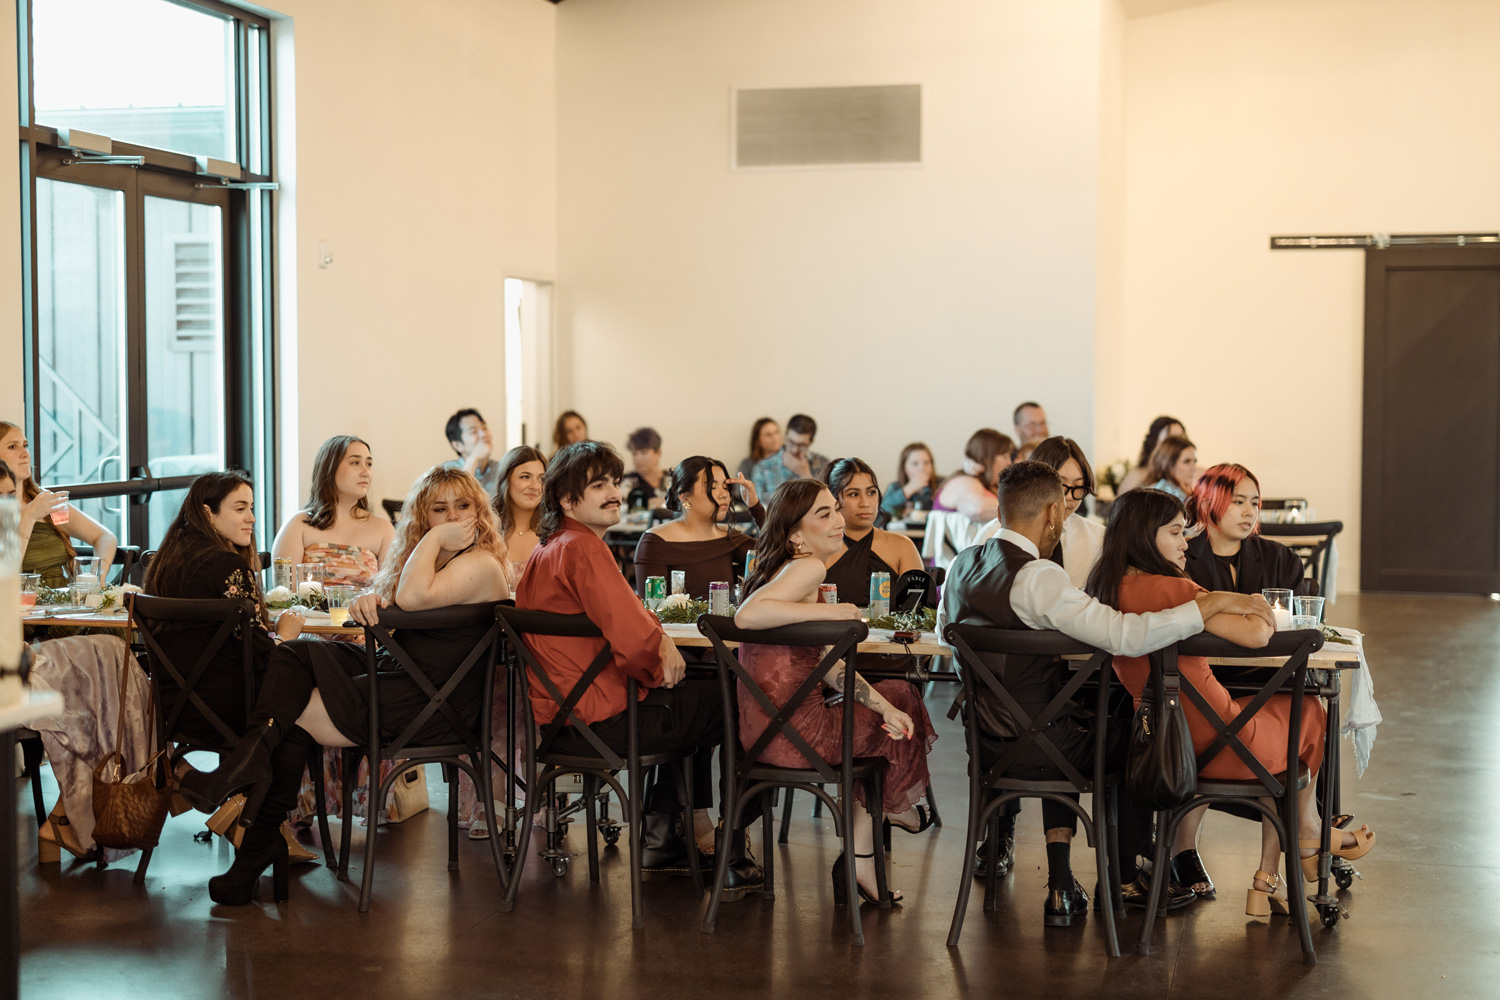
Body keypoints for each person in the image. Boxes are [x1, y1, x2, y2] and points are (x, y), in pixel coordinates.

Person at [939, 462, 1278, 920]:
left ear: (1000, 509)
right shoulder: (1038, 577)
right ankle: (1127, 878)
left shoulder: (961, 566)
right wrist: (1208, 602)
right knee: (1138, 739)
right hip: (1050, 747)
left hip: (986, 745)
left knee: (1108, 720)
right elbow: (1123, 636)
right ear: (1055, 514)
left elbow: (946, 637)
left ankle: (1134, 870)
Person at [174, 466, 511, 905]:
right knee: (294, 654)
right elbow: (398, 602)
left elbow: (412, 600)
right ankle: (255, 813)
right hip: (400, 676)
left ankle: (252, 827)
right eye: (438, 510)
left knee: (290, 714)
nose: (451, 518)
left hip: (432, 703)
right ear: (422, 516)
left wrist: (431, 539)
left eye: (462, 507)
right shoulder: (436, 561)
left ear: (478, 512)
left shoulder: (481, 563)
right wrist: (368, 598)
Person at [1087, 488, 1375, 917]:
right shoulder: (1173, 589)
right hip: (1222, 743)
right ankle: (1307, 834)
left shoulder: (1105, 589)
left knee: (1288, 719)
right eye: (1175, 533)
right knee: (1311, 710)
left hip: (1165, 749)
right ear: (1146, 537)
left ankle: (1278, 866)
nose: (1186, 542)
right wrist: (1245, 602)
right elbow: (1258, 634)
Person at [515, 442, 763, 894]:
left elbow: (634, 624)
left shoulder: (548, 548)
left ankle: (667, 833)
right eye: (598, 486)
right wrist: (660, 655)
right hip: (604, 721)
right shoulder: (586, 550)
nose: (613, 492)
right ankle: (731, 848)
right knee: (744, 696)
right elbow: (638, 645)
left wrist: (661, 648)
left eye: (613, 482)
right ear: (568, 501)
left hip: (559, 722)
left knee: (702, 695)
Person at [735, 479, 937, 905]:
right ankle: (888, 820)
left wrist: (881, 705)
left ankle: (866, 851)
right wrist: (836, 612)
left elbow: (829, 668)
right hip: (798, 737)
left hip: (761, 739)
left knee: (892, 699)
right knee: (903, 696)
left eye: (835, 510)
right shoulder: (808, 567)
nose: (838, 520)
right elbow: (746, 616)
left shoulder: (783, 570)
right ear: (794, 534)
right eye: (823, 514)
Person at [972, 436, 1104, 589]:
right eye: (1061, 485)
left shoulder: (1097, 537)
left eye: (1078, 486)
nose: (1068, 497)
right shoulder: (994, 536)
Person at [1, 420, 118, 585]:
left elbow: (103, 536)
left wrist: (98, 576)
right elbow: (6, 572)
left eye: (25, 445)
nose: (25, 454)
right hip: (22, 606)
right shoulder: (28, 507)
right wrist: (29, 516)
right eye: (13, 447)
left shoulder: (44, 500)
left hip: (63, 603)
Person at [272, 435, 394, 590]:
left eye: (369, 464)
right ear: (330, 467)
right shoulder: (298, 525)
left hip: (363, 615)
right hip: (308, 615)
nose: (366, 472)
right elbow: (283, 594)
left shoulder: (383, 529)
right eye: (355, 463)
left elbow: (388, 594)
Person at [633, 456, 763, 598]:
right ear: (684, 496)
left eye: (725, 487)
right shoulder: (656, 542)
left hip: (724, 619)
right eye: (712, 487)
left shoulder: (729, 538)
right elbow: (651, 610)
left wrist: (755, 506)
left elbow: (779, 550)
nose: (724, 494)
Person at [1184, 463, 1309, 596]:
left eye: (1254, 503)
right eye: (1239, 502)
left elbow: (1300, 616)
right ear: (1206, 506)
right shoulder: (1183, 561)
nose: (1250, 512)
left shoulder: (1281, 558)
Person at [823, 458, 923, 604]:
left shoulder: (903, 546)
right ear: (834, 499)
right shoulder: (821, 548)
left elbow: (920, 612)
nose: (865, 503)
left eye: (871, 492)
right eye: (853, 494)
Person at [933, 429, 1014, 524]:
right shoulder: (966, 482)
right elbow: (977, 510)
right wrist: (1017, 509)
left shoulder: (981, 484)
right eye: (1005, 456)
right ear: (986, 459)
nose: (1009, 462)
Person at [493, 444, 548, 582]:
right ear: (506, 480)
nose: (535, 486)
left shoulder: (555, 531)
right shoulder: (486, 529)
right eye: (525, 477)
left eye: (541, 479)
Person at [750, 413, 829, 499]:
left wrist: (805, 474)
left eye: (801, 445)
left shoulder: (823, 464)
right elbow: (759, 509)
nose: (795, 450)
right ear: (786, 434)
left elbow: (829, 503)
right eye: (791, 442)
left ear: (811, 441)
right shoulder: (762, 468)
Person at [1118, 415, 1186, 495]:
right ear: (1154, 441)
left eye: (1180, 438)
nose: (1177, 445)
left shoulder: (1188, 475)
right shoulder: (1136, 476)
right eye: (1170, 439)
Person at [441, 409, 502, 497]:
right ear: (457, 445)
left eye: (484, 428)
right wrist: (474, 458)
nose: (483, 434)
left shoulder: (501, 469)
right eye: (473, 431)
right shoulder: (446, 471)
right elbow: (458, 498)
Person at [880, 442, 938, 521]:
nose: (922, 468)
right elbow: (880, 512)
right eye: (915, 463)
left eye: (926, 463)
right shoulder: (895, 487)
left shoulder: (942, 485)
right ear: (904, 467)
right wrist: (907, 491)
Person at [620, 427, 672, 510]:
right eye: (634, 454)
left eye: (644, 452)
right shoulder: (625, 482)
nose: (638, 458)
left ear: (658, 453)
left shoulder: (673, 479)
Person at [1147, 434, 1198, 500]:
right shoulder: (1166, 492)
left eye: (1195, 461)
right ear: (1169, 464)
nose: (1193, 468)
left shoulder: (1177, 490)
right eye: (1187, 461)